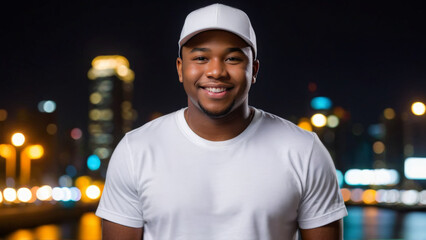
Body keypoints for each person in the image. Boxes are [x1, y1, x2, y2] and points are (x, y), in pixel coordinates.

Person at [95, 3, 347, 240]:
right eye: (201, 58)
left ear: (254, 70)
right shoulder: (136, 150)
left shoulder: (304, 150)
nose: (216, 71)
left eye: (233, 59)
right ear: (180, 69)